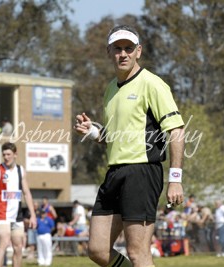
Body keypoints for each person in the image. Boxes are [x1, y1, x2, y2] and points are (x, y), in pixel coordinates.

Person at [74, 24, 185, 267]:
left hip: (142, 173)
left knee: (138, 254)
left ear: (138, 51)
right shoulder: (110, 89)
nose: (123, 54)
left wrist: (175, 178)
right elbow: (114, 136)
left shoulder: (152, 84)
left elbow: (176, 130)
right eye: (117, 48)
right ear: (109, 52)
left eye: (128, 48)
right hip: (115, 173)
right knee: (97, 250)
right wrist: (92, 131)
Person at [0, 142, 37, 267]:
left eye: (9, 154)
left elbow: (27, 193)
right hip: (2, 214)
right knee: (3, 243)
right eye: (4, 155)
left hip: (17, 215)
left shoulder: (21, 170)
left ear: (15, 154)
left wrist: (33, 215)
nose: (6, 157)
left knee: (18, 247)